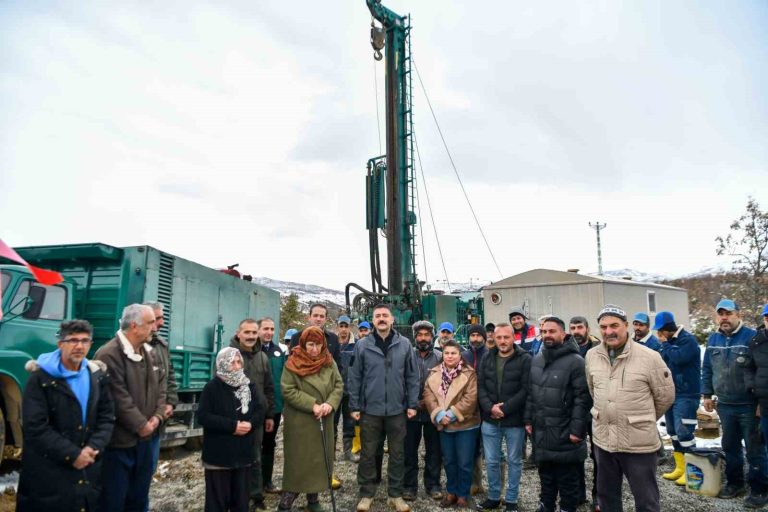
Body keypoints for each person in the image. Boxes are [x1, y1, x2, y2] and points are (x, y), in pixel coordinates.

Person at [17, 320, 114, 512]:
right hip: (48, 476)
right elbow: (35, 427)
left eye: (85, 340)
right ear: (60, 344)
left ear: (91, 344)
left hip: (87, 469)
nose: (79, 346)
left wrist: (93, 447)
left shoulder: (97, 377)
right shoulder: (40, 379)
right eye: (73, 340)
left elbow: (107, 417)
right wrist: (73, 454)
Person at [585, 305, 674, 512]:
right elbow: (594, 391)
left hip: (638, 443)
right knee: (607, 498)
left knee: (646, 500)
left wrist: (639, 417)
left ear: (626, 326)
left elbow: (665, 396)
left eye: (614, 325)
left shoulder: (650, 357)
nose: (609, 331)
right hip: (604, 441)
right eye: (603, 327)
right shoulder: (591, 356)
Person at [95, 304, 168, 512]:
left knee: (138, 499)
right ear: (134, 326)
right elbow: (117, 397)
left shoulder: (150, 352)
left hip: (145, 441)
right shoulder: (109, 354)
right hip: (118, 445)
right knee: (114, 500)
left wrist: (157, 416)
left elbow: (161, 387)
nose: (155, 327)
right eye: (150, 322)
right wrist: (141, 425)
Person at [348, 303, 419, 512]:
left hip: (397, 410)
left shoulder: (405, 344)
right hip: (371, 410)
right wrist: (354, 405)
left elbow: (412, 376)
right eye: (377, 315)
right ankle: (366, 494)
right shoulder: (362, 345)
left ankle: (395, 495)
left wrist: (412, 404)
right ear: (373, 320)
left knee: (398, 454)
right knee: (369, 453)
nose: (381, 319)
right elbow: (354, 378)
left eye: (385, 316)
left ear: (392, 319)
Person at [702, 299, 767, 505]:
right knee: (730, 446)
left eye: (728, 313)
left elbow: (760, 370)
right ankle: (735, 483)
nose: (724, 318)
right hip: (725, 405)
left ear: (739, 315)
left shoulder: (752, 338)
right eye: (720, 314)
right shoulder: (713, 340)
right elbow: (707, 370)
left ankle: (759, 489)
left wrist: (759, 403)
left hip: (749, 404)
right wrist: (706, 394)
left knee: (755, 448)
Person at [525, 317, 589, 512]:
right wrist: (528, 419)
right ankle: (546, 505)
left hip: (565, 431)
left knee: (567, 480)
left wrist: (577, 430)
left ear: (563, 334)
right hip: (542, 430)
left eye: (552, 331)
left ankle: (567, 508)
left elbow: (582, 398)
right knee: (546, 476)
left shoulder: (576, 361)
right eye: (544, 332)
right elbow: (531, 392)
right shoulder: (538, 358)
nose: (547, 335)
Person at [278, 327, 344, 512]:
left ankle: (313, 500)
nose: (315, 349)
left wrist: (330, 404)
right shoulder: (293, 362)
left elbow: (338, 385)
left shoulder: (329, 362)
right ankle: (285, 503)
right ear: (304, 344)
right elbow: (288, 389)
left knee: (320, 461)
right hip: (301, 422)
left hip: (324, 418)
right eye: (311, 344)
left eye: (318, 344)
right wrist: (312, 404)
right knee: (299, 463)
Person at [476, 323, 532, 511]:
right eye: (499, 337)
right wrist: (489, 407)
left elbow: (526, 389)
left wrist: (505, 408)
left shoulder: (524, 358)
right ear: (494, 338)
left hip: (513, 421)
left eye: (506, 337)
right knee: (491, 461)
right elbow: (480, 386)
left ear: (513, 337)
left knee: (514, 461)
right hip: (490, 420)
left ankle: (511, 500)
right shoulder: (487, 357)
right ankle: (493, 497)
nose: (502, 341)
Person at [197, 347, 257, 512]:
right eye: (232, 362)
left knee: (241, 502)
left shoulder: (248, 386)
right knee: (217, 504)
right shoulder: (212, 387)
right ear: (222, 364)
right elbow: (203, 416)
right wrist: (233, 426)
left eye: (239, 362)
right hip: (219, 457)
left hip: (243, 455)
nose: (237, 366)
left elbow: (259, 411)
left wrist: (251, 424)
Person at [423, 340, 480, 509]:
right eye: (446, 353)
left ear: (460, 355)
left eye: (453, 353)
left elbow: (470, 398)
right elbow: (428, 394)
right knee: (448, 460)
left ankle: (463, 494)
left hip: (465, 424)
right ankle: (451, 492)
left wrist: (451, 414)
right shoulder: (434, 373)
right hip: (444, 425)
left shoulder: (469, 374)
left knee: (464, 461)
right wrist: (439, 414)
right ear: (443, 355)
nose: (449, 356)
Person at [230, 318, 276, 510]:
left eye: (253, 333)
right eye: (246, 332)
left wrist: (269, 415)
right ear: (238, 333)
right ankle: (235, 499)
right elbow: (217, 388)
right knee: (235, 459)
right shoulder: (228, 356)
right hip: (233, 418)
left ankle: (256, 496)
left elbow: (269, 388)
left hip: (257, 418)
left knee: (255, 457)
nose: (250, 336)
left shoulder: (262, 358)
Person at [652, 311, 701, 487]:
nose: (659, 335)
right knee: (673, 431)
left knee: (684, 432)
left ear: (667, 329)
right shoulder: (669, 343)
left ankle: (692, 471)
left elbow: (679, 358)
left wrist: (665, 345)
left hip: (687, 394)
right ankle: (680, 468)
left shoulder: (688, 340)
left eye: (660, 331)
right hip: (672, 393)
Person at [403, 321, 443, 501]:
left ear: (432, 336)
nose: (423, 338)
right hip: (410, 412)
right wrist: (411, 402)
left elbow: (446, 383)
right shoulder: (407, 355)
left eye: (427, 334)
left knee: (434, 450)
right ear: (415, 337)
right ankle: (409, 486)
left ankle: (433, 484)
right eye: (420, 335)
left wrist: (431, 403)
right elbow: (400, 380)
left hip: (433, 412)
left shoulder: (440, 357)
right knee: (409, 450)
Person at [144, 301, 178, 478]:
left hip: (157, 423)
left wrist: (171, 402)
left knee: (148, 470)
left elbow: (169, 377)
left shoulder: (162, 346)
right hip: (140, 424)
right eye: (157, 318)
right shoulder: (131, 349)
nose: (162, 322)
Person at [569, 315, 599, 510]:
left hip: (596, 410)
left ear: (587, 329)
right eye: (572, 328)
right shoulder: (567, 350)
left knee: (598, 456)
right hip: (575, 409)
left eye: (579, 327)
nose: (576, 331)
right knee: (575, 453)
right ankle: (578, 493)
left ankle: (599, 495)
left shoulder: (598, 350)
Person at [259, 318, 288, 494]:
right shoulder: (251, 351)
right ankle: (251, 484)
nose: (269, 332)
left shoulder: (278, 352)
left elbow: (282, 380)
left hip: (274, 408)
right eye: (265, 329)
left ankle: (267, 482)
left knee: (269, 444)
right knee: (253, 445)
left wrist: (283, 404)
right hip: (254, 408)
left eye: (271, 329)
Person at [461, 324, 488, 496]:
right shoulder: (463, 356)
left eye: (479, 335)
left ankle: (495, 488)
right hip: (468, 409)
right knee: (471, 447)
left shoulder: (491, 355)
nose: (475, 338)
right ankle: (474, 482)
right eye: (473, 335)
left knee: (492, 450)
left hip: (487, 408)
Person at [336, 315, 359, 462]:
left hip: (350, 390)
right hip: (335, 390)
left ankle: (348, 452)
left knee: (350, 422)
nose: (344, 329)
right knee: (331, 422)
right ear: (338, 327)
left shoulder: (357, 344)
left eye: (346, 326)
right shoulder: (332, 343)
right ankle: (330, 452)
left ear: (350, 327)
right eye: (341, 326)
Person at [745, 304, 768, 448]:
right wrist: (753, 387)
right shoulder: (756, 342)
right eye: (767, 317)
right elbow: (748, 367)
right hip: (765, 404)